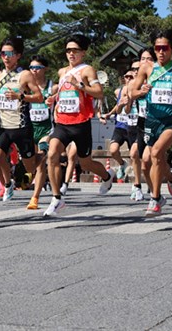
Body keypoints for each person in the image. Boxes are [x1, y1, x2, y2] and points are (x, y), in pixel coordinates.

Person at [129, 29, 172, 217]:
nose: (161, 52)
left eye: (165, 48)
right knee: (146, 163)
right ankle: (170, 176)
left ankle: (155, 198)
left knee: (156, 152)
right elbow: (132, 93)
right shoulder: (147, 69)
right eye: (157, 48)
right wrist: (141, 91)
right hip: (152, 121)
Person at [44, 35, 115, 217]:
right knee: (52, 155)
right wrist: (52, 99)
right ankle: (57, 197)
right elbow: (63, 94)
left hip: (81, 124)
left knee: (86, 162)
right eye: (68, 50)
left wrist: (80, 86)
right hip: (62, 123)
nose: (71, 54)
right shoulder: (61, 72)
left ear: (83, 53)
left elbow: (99, 92)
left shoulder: (87, 70)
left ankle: (107, 176)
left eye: (74, 50)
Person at [0, 37, 44, 218]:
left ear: (18, 55)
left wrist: (21, 97)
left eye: (10, 53)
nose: (6, 57)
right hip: (3, 127)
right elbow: (0, 100)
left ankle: (43, 159)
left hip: (22, 127)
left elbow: (39, 97)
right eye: (3, 53)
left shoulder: (25, 75)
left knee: (29, 167)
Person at [27, 55, 57, 210]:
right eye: (31, 67)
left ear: (45, 69)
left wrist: (53, 99)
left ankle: (35, 198)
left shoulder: (52, 87)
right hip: (30, 128)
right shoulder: (26, 87)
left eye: (37, 68)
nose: (34, 70)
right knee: (31, 165)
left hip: (47, 128)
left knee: (40, 164)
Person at [126, 51, 154, 202]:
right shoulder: (132, 84)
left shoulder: (157, 78)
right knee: (135, 154)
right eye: (142, 59)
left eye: (148, 59)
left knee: (153, 158)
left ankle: (167, 178)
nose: (145, 63)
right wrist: (131, 98)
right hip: (140, 123)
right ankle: (137, 186)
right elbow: (127, 109)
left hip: (157, 123)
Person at [98, 71, 132, 181]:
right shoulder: (119, 91)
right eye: (126, 76)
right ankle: (122, 163)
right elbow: (118, 106)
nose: (128, 79)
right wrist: (110, 113)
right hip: (120, 126)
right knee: (113, 150)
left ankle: (137, 185)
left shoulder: (138, 92)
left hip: (132, 126)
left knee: (135, 155)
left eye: (131, 76)